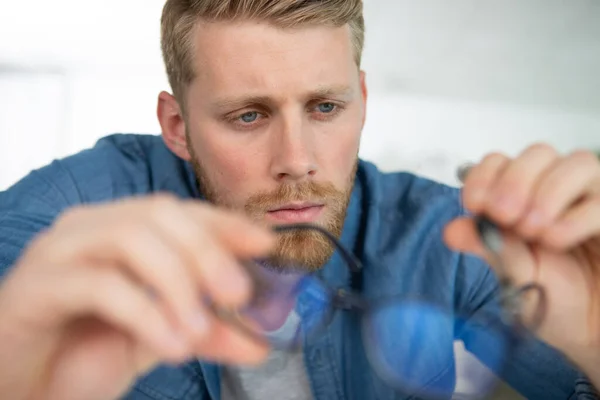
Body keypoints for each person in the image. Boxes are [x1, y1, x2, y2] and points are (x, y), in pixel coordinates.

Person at [0, 0, 599, 399]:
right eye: (248, 115)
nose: (297, 159)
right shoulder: (72, 210)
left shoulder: (449, 236)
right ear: (177, 125)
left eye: (325, 108)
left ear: (361, 100)